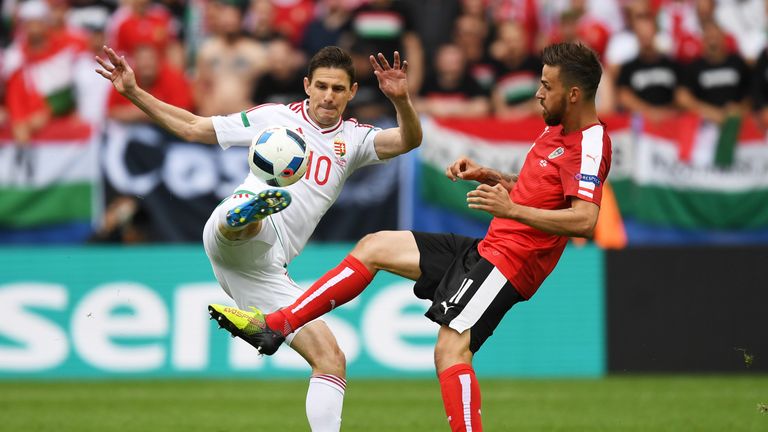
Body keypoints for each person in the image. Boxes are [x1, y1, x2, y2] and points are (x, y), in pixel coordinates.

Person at [210, 42, 612, 432]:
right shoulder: (554, 131)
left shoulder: (590, 143)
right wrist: (493, 176)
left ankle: (276, 325)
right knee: (375, 246)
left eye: (547, 86)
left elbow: (583, 220)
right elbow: (541, 190)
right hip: (491, 246)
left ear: (573, 94)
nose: (538, 93)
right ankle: (278, 324)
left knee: (450, 350)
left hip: (511, 262)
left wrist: (511, 210)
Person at [95, 45, 422, 432]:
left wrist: (401, 100)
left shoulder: (354, 140)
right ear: (307, 86)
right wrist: (133, 92)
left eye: (338, 88)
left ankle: (253, 257)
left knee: (331, 358)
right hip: (234, 233)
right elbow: (193, 127)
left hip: (265, 271)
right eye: (321, 86)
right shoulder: (274, 118)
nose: (328, 96)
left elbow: (408, 141)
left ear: (351, 92)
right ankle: (245, 215)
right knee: (255, 217)